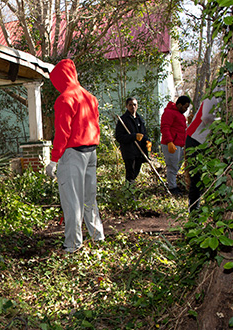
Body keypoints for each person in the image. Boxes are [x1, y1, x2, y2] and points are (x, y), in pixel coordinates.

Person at [44, 59, 104, 253]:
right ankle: (97, 237)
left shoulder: (65, 99)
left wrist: (53, 161)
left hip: (74, 154)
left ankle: (72, 244)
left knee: (72, 201)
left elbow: (62, 133)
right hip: (91, 152)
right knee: (89, 199)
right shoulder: (90, 97)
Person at [185, 92, 222, 209]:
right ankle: (194, 213)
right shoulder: (213, 95)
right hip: (195, 138)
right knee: (196, 178)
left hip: (210, 142)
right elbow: (206, 117)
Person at [114, 97, 153, 184]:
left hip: (139, 151)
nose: (133, 107)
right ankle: (129, 193)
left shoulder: (140, 119)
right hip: (129, 151)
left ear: (137, 106)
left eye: (134, 104)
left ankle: (129, 188)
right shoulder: (123, 120)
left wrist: (147, 142)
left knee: (136, 173)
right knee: (130, 174)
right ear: (126, 106)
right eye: (130, 105)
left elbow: (143, 134)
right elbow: (119, 137)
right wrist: (133, 136)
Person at [160, 95, 191, 195]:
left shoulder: (180, 115)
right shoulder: (169, 112)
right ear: (179, 104)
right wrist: (169, 141)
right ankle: (172, 187)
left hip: (179, 144)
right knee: (172, 166)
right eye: (185, 107)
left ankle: (172, 184)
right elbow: (165, 127)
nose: (186, 109)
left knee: (177, 166)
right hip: (171, 144)